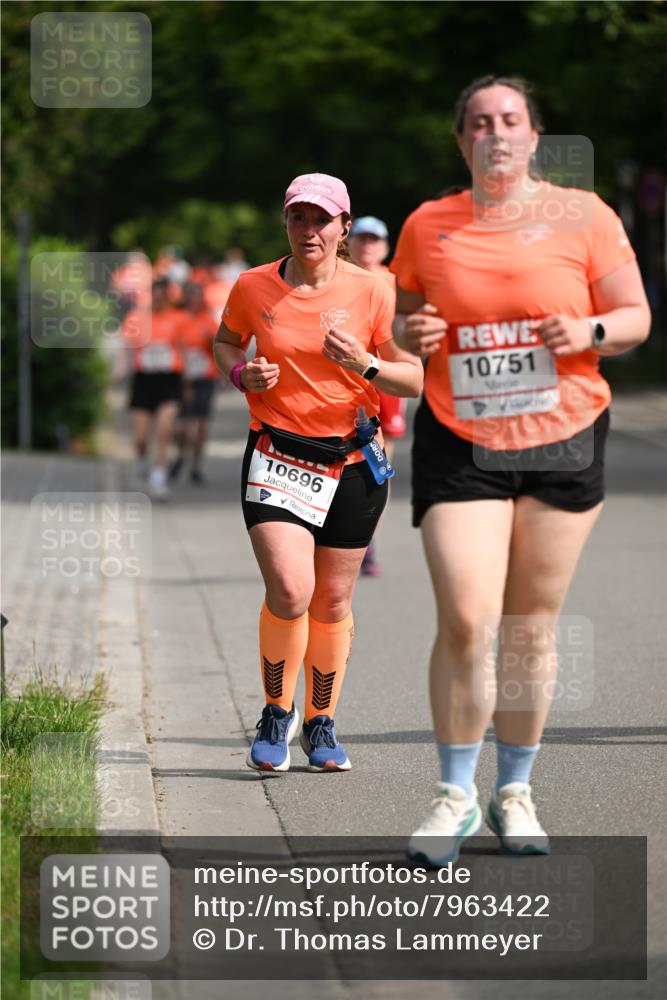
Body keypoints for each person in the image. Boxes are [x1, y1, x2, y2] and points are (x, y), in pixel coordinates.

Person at [390, 76, 651, 864]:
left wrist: (586, 329)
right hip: (459, 437)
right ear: (460, 139)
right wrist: (415, 331)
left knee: (529, 631)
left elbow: (635, 318)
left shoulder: (585, 216)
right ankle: (453, 795)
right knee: (468, 618)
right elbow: (402, 326)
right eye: (478, 122)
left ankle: (514, 792)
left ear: (534, 135)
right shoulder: (427, 225)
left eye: (509, 120)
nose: (494, 133)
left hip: (563, 434)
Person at [213, 172, 423, 772]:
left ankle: (321, 723)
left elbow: (415, 380)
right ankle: (276, 713)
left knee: (331, 602)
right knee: (290, 589)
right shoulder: (253, 286)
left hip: (353, 461)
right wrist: (240, 374)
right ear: (286, 223)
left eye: (322, 220)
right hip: (277, 455)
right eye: (299, 218)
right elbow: (226, 342)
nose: (310, 230)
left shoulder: (375, 290)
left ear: (344, 228)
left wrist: (369, 365)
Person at [348, 216, 408, 576]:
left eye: (375, 240)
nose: (367, 245)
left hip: (385, 379)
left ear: (385, 247)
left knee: (379, 464)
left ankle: (368, 539)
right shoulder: (338, 278)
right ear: (349, 242)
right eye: (361, 238)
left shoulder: (395, 283)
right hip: (351, 380)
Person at [122, 278, 186, 500]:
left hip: (169, 380)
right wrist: (120, 368)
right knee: (141, 438)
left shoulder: (178, 319)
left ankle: (158, 479)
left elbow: (185, 349)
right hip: (144, 380)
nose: (158, 299)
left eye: (162, 294)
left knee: (163, 431)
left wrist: (188, 382)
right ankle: (141, 461)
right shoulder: (137, 318)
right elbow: (126, 347)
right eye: (155, 294)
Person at [169, 283, 220, 485]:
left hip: (205, 377)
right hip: (182, 378)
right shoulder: (177, 319)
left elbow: (220, 347)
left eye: (199, 296)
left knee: (200, 425)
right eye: (192, 296)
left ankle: (196, 466)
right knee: (180, 428)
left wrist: (211, 343)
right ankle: (181, 454)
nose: (196, 300)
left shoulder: (209, 321)